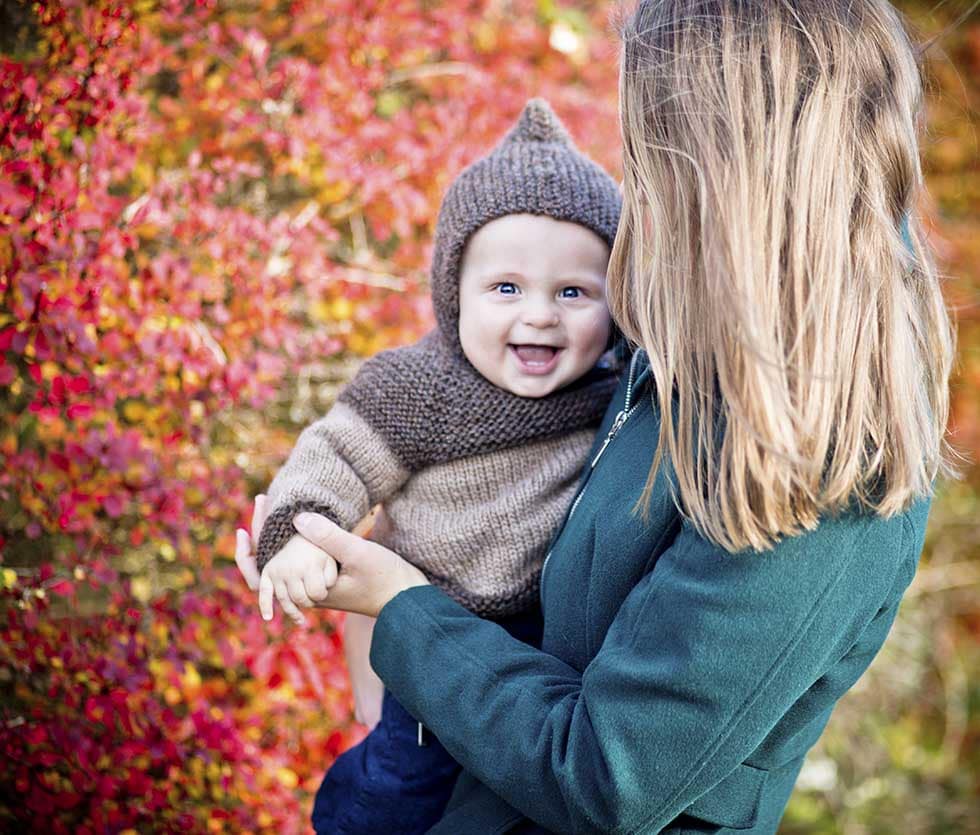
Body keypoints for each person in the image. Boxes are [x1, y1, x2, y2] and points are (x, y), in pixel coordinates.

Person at [236, 0, 957, 831]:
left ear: (726, 175)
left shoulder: (825, 454)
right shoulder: (671, 351)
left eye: (651, 154)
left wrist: (401, 605)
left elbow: (608, 776)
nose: (636, 185)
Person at [248, 98, 623, 834]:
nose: (540, 315)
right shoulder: (418, 389)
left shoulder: (613, 393)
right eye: (506, 288)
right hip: (434, 641)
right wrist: (296, 538)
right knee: (399, 791)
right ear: (455, 294)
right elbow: (334, 460)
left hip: (545, 662)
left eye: (573, 292)